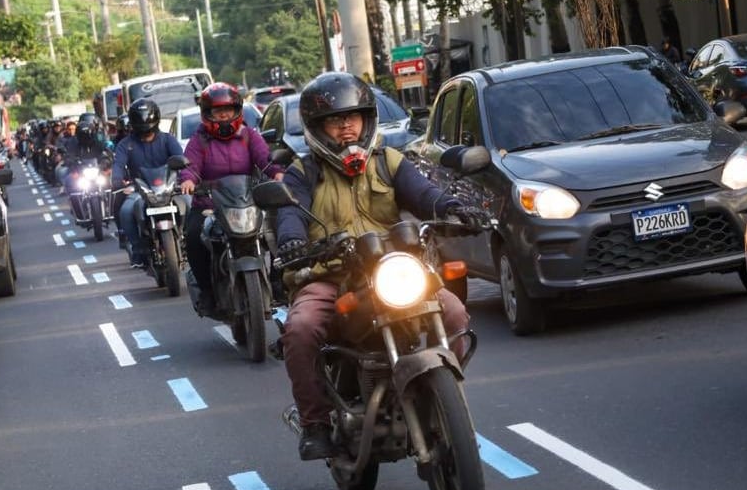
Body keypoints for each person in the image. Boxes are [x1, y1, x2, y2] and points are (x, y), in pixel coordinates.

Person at [273, 72, 485, 460]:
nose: (346, 126)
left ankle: (446, 397)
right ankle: (315, 422)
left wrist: (453, 209)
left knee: (454, 314)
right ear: (317, 128)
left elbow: (425, 195)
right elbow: (289, 213)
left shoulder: (390, 161)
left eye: (353, 117)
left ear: (367, 120)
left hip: (392, 269)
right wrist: (291, 241)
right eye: (335, 120)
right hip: (331, 275)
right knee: (300, 329)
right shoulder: (302, 173)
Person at [180, 82, 284, 314]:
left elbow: (265, 158)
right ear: (208, 114)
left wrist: (277, 172)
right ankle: (207, 292)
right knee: (194, 237)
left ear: (237, 110)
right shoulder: (200, 140)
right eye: (218, 111)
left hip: (247, 201)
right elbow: (191, 166)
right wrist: (188, 180)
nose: (224, 115)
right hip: (210, 204)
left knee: (278, 227)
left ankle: (278, 280)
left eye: (228, 109)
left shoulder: (249, 136)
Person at [112, 99, 184, 267]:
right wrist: (116, 179)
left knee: (188, 203)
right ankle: (139, 250)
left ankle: (187, 240)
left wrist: (186, 176)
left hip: (169, 188)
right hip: (139, 190)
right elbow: (118, 164)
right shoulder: (125, 144)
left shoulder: (168, 140)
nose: (145, 127)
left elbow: (181, 159)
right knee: (126, 211)